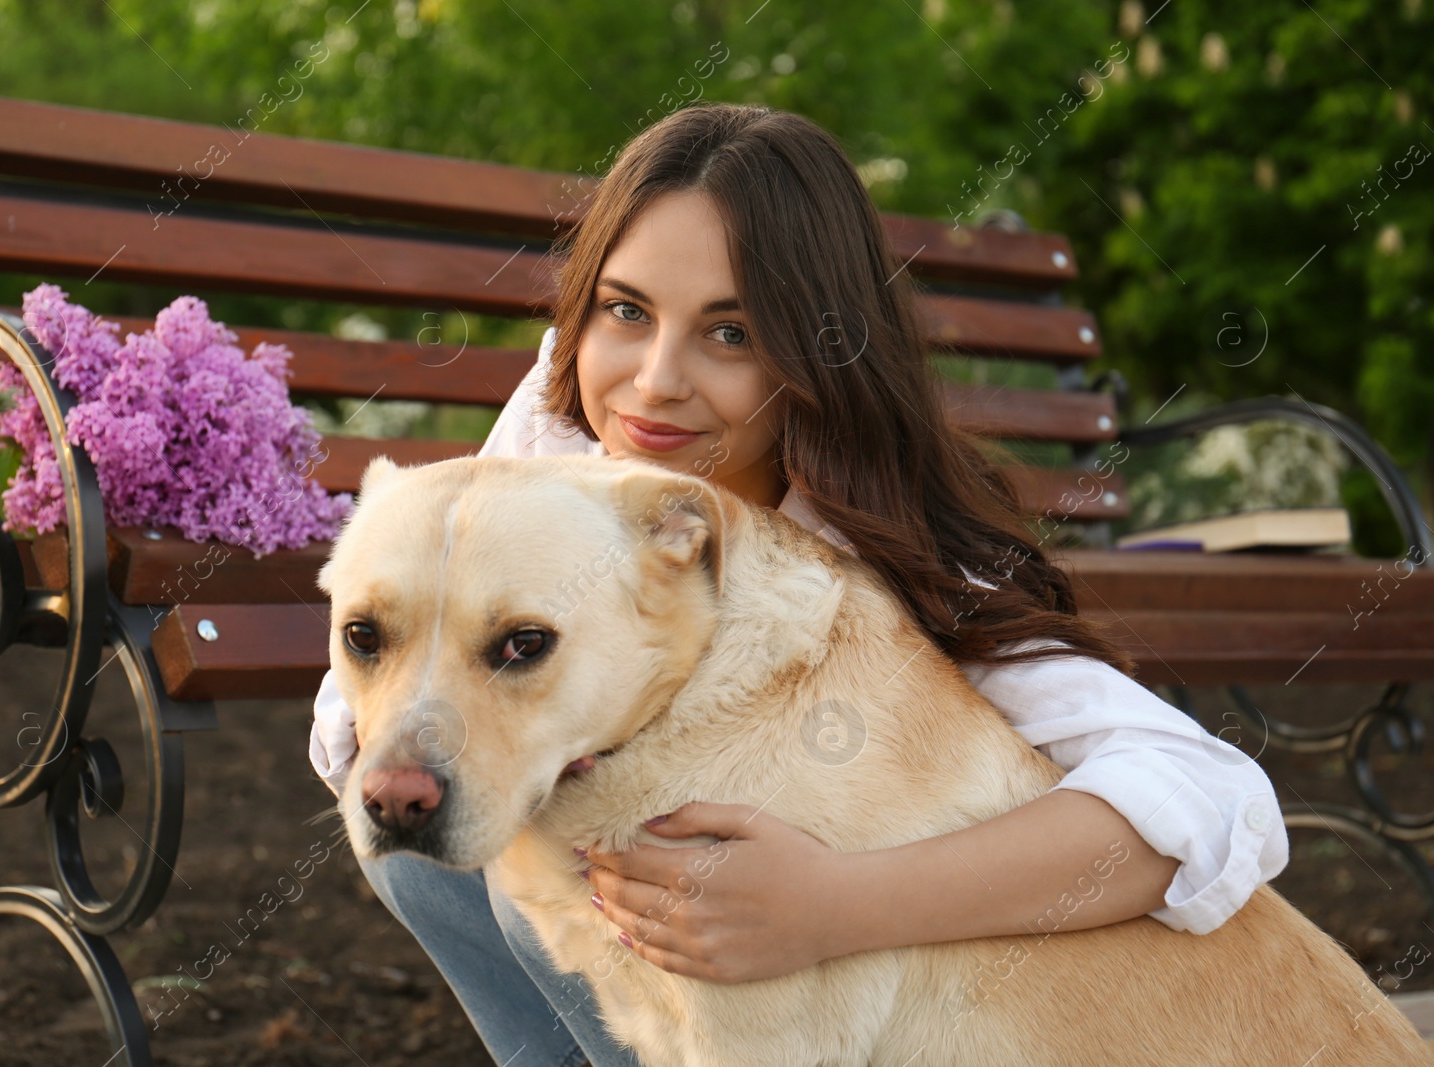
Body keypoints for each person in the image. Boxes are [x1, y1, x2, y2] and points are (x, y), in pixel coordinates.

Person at [309, 103, 1287, 1067]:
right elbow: (390, 660)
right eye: (626, 310)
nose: (653, 382)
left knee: (565, 847)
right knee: (469, 844)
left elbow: (1215, 799)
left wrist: (835, 905)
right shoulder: (565, 430)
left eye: (729, 334)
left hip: (851, 967)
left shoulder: (908, 558)